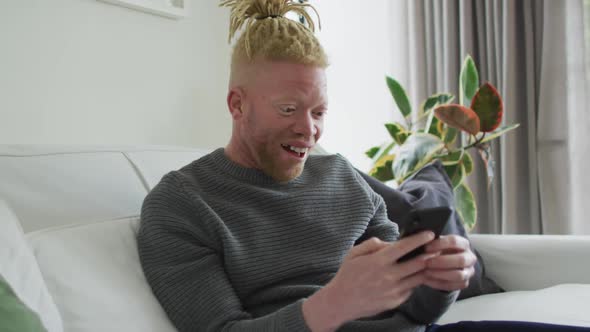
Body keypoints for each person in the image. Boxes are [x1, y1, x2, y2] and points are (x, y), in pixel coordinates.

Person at [136, 1, 587, 332]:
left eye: (318, 112)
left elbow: (413, 311)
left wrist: (442, 280)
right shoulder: (181, 205)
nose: (308, 130)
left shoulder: (341, 178)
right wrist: (333, 304)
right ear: (237, 104)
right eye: (289, 108)